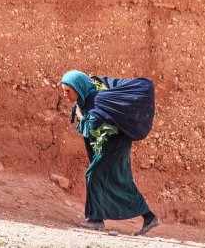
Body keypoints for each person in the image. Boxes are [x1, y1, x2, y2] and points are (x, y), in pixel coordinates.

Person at [60, 70, 160, 235]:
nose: (65, 95)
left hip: (115, 145)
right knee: (121, 180)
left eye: (68, 91)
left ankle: (95, 220)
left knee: (94, 174)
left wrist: (80, 115)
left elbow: (92, 129)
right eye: (64, 91)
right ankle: (149, 218)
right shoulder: (86, 100)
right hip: (113, 144)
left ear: (78, 88)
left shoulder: (96, 102)